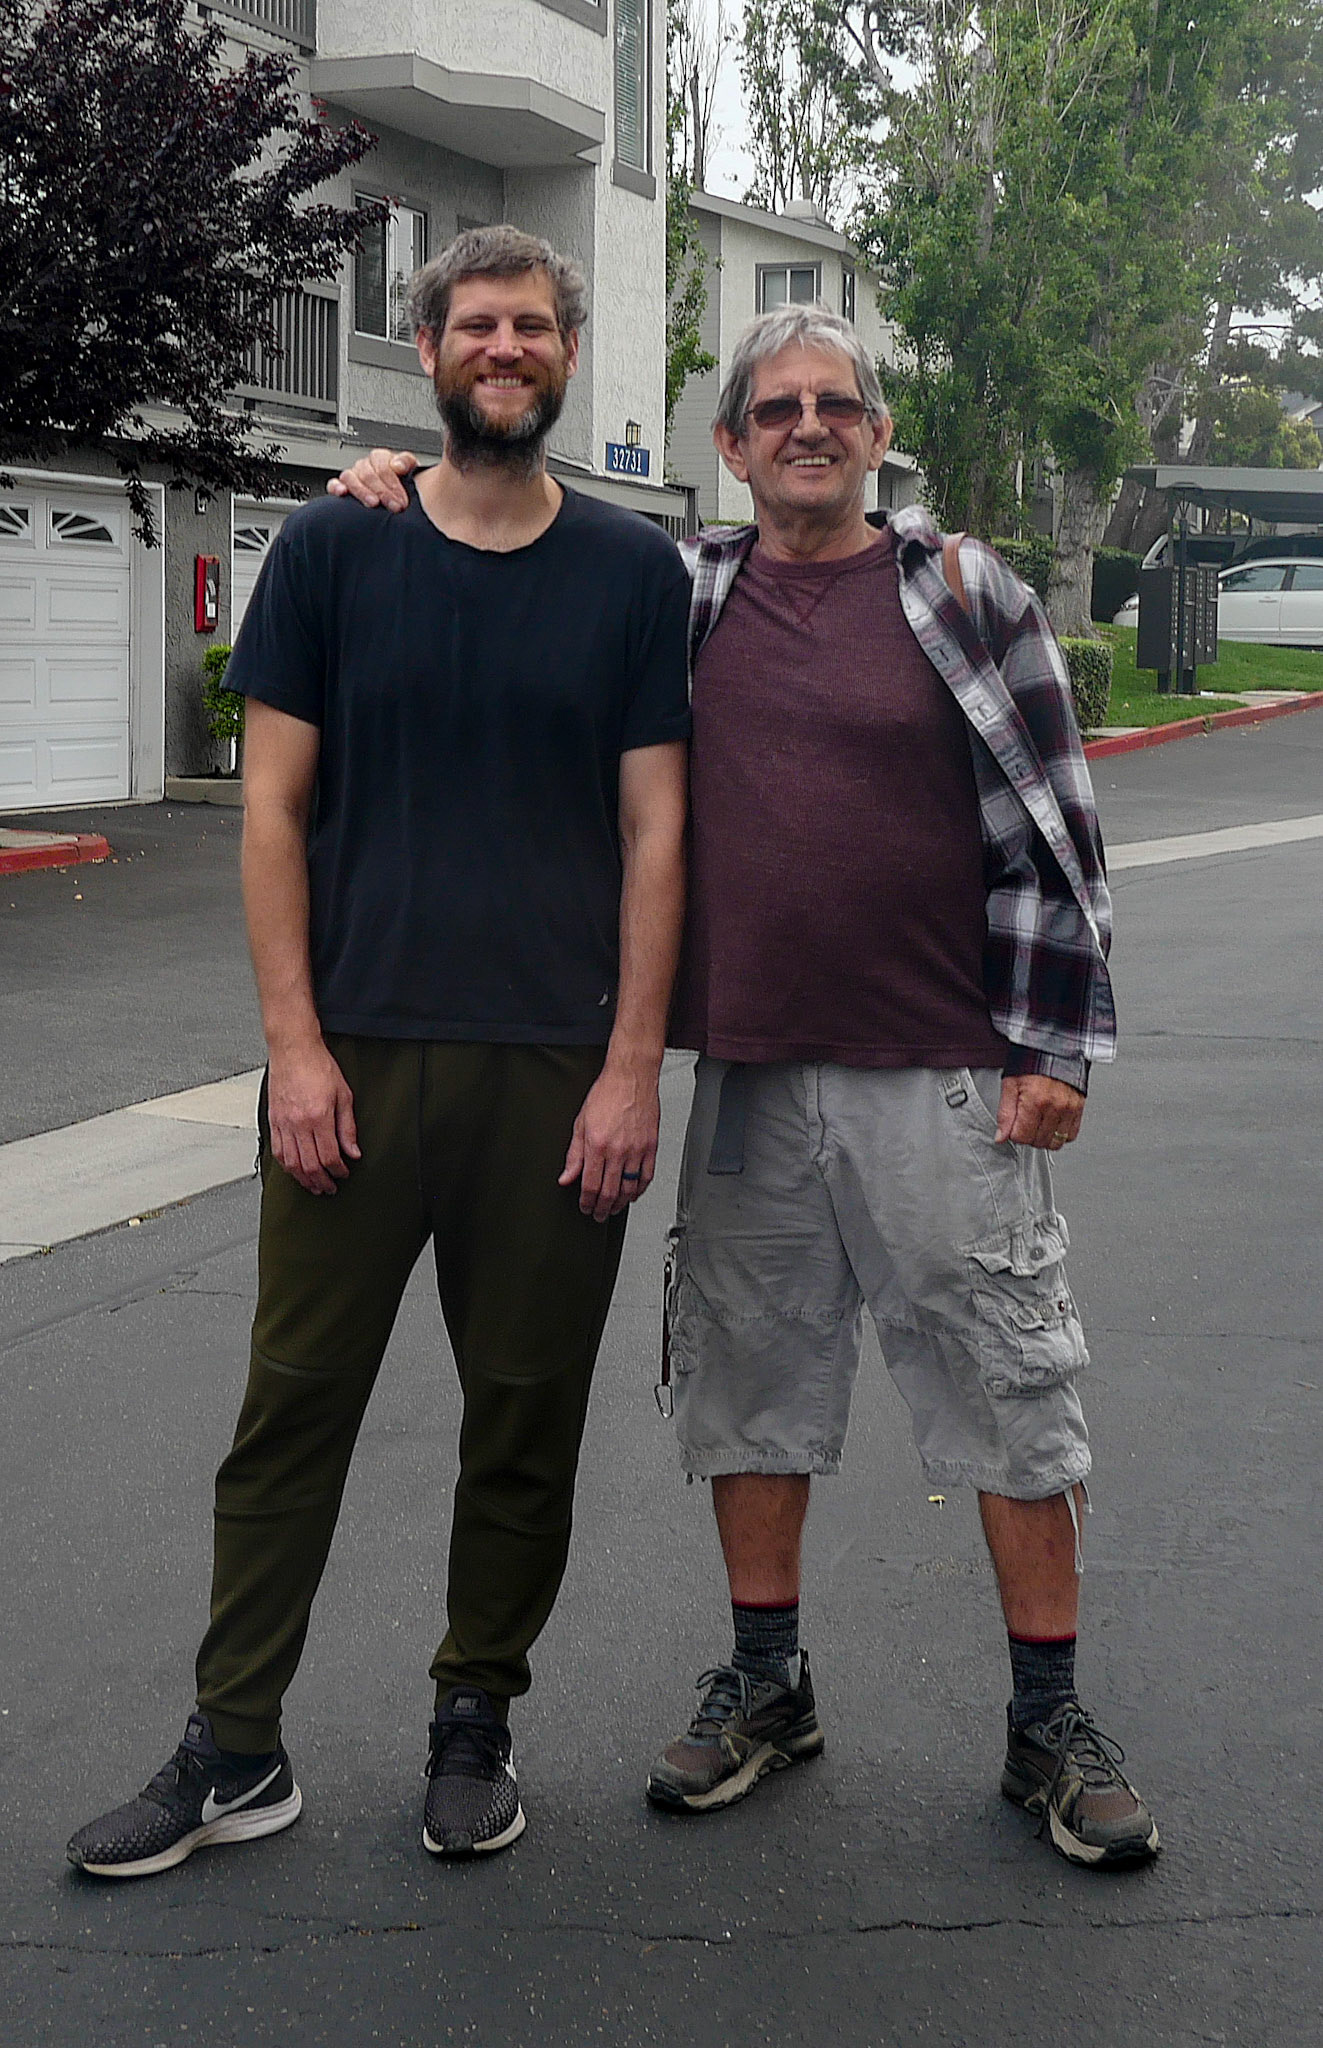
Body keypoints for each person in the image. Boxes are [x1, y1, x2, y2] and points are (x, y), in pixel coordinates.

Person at [330, 303, 1159, 1869]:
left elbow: (1058, 821)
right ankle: (768, 1687)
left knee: (1010, 1390)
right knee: (747, 1393)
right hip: (750, 1077)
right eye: (774, 409)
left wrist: (1052, 1050)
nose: (806, 428)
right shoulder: (681, 591)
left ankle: (1048, 1721)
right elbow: (513, 537)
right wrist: (388, 486)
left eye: (834, 404)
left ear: (877, 431)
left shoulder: (963, 591)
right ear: (729, 446)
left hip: (942, 1077)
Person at [65, 226, 690, 1878]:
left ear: (567, 355)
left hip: (555, 1074)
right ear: (428, 351)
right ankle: (236, 1747)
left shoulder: (633, 576)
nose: (506, 346)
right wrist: (295, 1048)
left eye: (534, 324)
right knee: (291, 1410)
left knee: (525, 1417)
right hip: (352, 1063)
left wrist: (634, 1066)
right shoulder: (334, 552)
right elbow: (270, 814)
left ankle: (474, 1720)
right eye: (476, 322)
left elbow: (657, 834)